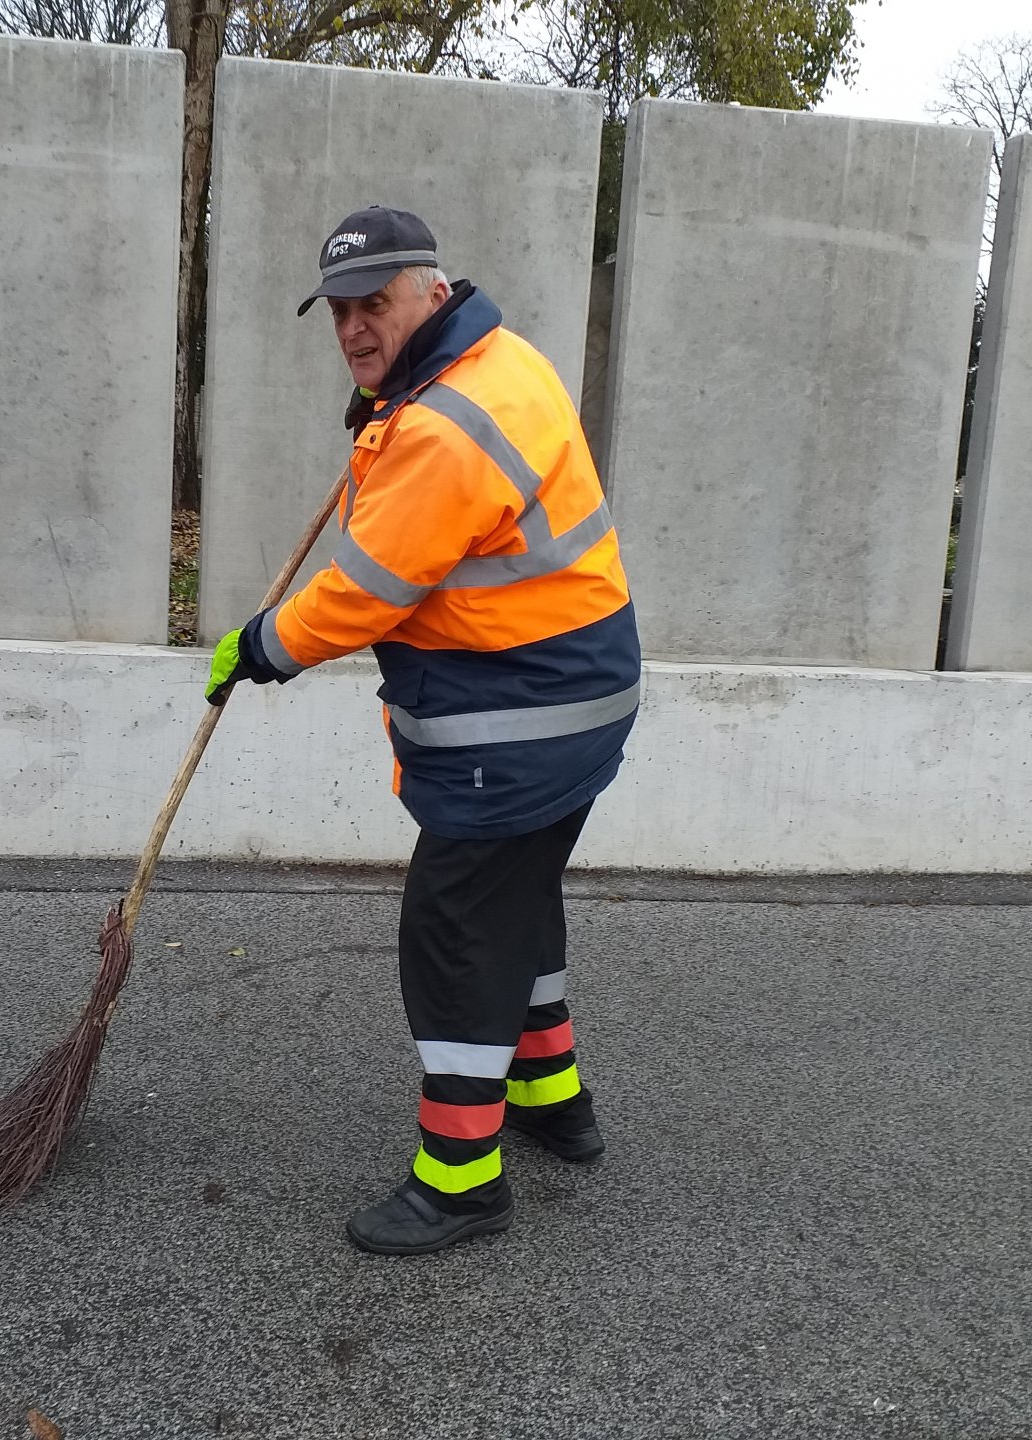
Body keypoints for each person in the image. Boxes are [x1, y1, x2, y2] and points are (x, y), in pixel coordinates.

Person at [204, 205, 642, 1257]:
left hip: (518, 719)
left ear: (432, 292)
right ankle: (554, 1102)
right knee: (516, 903)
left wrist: (261, 645)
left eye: (376, 303)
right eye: (340, 312)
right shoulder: (500, 360)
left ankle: (460, 1180)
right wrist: (381, 412)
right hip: (575, 697)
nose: (355, 328)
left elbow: (367, 591)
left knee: (454, 934)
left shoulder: (443, 427)